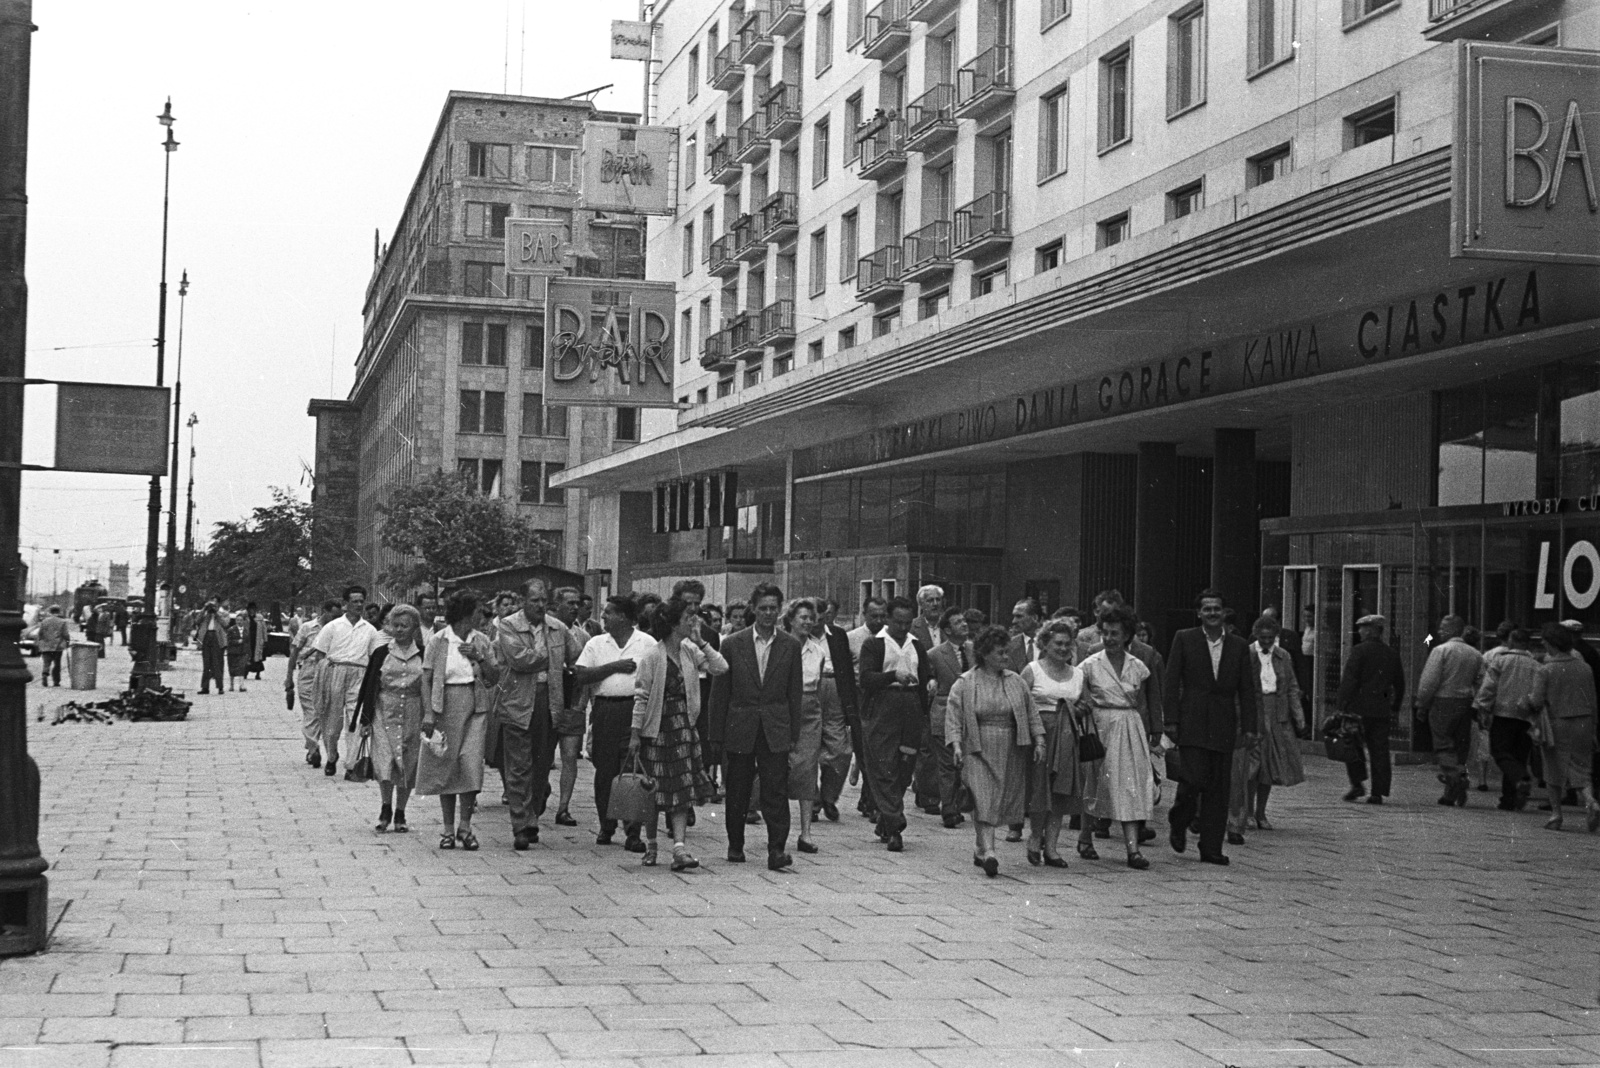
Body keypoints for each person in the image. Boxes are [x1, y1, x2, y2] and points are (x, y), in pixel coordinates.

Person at [708, 582, 803, 870]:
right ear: (753, 609)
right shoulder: (733, 644)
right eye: (763, 608)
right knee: (738, 789)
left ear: (780, 610)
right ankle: (735, 844)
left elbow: (794, 693)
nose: (768, 613)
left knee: (775, 789)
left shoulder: (790, 644)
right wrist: (716, 734)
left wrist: (793, 734)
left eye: (773, 608)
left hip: (775, 727)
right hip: (740, 726)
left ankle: (777, 849)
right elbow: (720, 693)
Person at [629, 598, 727, 869]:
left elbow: (721, 668)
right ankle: (651, 845)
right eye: (688, 617)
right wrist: (635, 733)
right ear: (673, 622)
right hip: (656, 730)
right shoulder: (652, 656)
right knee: (654, 791)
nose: (694, 621)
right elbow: (641, 696)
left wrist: (702, 642)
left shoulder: (689, 651)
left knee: (682, 790)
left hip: (683, 728)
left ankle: (679, 849)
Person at [1164, 589, 1258, 866]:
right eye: (1207, 609)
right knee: (1192, 780)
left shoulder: (1239, 646)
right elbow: (1171, 682)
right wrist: (1170, 720)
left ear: (1224, 612)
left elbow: (1247, 689)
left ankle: (1211, 847)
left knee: (1218, 788)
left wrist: (1250, 727)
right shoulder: (1184, 638)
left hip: (1223, 723)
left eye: (1217, 609)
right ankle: (1179, 820)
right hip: (1192, 720)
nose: (1213, 613)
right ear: (1199, 613)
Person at [946, 625, 1045, 877]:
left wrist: (1039, 740)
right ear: (985, 654)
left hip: (1010, 747)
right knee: (983, 798)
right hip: (977, 747)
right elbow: (954, 716)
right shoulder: (966, 683)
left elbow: (1031, 713)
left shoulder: (1016, 681)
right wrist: (956, 745)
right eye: (1000, 653)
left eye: (1007, 652)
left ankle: (980, 848)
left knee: (998, 800)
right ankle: (990, 851)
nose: (1006, 657)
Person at [494, 579, 585, 851]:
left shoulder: (558, 628)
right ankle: (522, 824)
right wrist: (550, 658)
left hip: (550, 701)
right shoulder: (508, 625)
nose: (540, 605)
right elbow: (520, 659)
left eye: (544, 600)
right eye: (534, 600)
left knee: (542, 763)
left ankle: (533, 808)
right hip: (518, 701)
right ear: (523, 601)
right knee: (519, 766)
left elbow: (577, 657)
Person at [417, 590, 499, 850]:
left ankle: (466, 826)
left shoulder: (482, 640)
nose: (482, 615)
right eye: (477, 610)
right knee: (447, 765)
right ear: (465, 612)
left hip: (475, 706)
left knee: (471, 764)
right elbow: (426, 678)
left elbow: (493, 677)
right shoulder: (439, 640)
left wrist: (479, 657)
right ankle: (448, 829)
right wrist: (429, 712)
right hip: (445, 706)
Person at [573, 595, 657, 850]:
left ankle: (633, 832)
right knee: (605, 771)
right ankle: (606, 825)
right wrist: (614, 666)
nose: (603, 617)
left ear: (624, 617)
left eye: (609, 612)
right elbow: (581, 675)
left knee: (633, 769)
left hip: (634, 709)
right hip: (605, 710)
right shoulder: (597, 643)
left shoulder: (647, 643)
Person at [1080, 605, 1160, 869]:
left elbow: (1145, 703)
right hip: (1101, 725)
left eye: (1115, 633)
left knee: (1130, 785)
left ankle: (1132, 850)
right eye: (1105, 633)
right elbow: (1079, 696)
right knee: (1097, 782)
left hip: (1129, 726)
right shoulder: (1090, 664)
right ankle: (1085, 838)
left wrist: (1151, 734)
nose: (1109, 638)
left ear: (1127, 635)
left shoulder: (1138, 666)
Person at [858, 596, 934, 852]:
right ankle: (894, 825)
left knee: (905, 764)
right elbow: (866, 678)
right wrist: (893, 676)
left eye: (908, 622)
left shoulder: (917, 645)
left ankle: (887, 816)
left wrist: (925, 706)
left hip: (911, 706)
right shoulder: (875, 644)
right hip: (883, 705)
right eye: (898, 622)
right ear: (888, 619)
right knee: (882, 764)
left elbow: (924, 678)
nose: (903, 627)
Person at [1228, 614, 1305, 842]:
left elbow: (1291, 686)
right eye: (1262, 638)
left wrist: (1298, 716)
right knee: (1252, 763)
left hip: (1276, 712)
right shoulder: (1246, 653)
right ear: (1255, 636)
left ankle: (1261, 812)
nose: (1266, 642)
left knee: (1269, 765)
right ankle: (1248, 812)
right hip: (1254, 708)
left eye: (1270, 638)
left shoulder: (1283, 656)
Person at [1020, 619, 1086, 867]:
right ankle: (1035, 838)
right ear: (1044, 644)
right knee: (1040, 788)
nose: (1063, 648)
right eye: (1057, 643)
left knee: (1060, 791)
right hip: (1040, 736)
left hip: (1067, 737)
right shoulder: (1032, 670)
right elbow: (1021, 703)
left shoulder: (1079, 674)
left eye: (1067, 644)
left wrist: (1079, 708)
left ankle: (1052, 848)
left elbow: (1084, 704)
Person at [354, 604, 426, 834]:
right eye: (395, 625)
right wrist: (365, 720)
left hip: (413, 713)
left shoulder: (423, 654)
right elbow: (369, 687)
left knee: (407, 763)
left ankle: (401, 812)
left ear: (414, 627)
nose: (400, 630)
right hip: (384, 711)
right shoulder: (381, 653)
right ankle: (386, 807)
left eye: (405, 625)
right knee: (384, 760)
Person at [1526, 622, 1599, 833]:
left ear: (1551, 644)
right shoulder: (1585, 668)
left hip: (1557, 723)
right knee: (1582, 768)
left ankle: (1556, 814)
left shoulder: (1546, 670)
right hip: (1584, 722)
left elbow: (1537, 701)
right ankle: (1590, 800)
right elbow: (1593, 701)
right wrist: (1594, 729)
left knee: (1553, 769)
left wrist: (1526, 703)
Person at [310, 586, 381, 778]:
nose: (358, 605)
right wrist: (323, 679)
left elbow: (375, 657)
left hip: (359, 674)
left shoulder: (370, 630)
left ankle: (351, 764)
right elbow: (320, 654)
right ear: (345, 604)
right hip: (335, 672)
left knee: (355, 720)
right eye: (354, 601)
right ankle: (332, 756)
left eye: (361, 601)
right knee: (332, 725)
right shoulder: (332, 627)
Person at [1335, 614, 1406, 805]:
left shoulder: (1359, 651)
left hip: (1358, 709)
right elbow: (1399, 682)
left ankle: (1357, 783)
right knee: (1380, 750)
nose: (1359, 631)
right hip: (1381, 709)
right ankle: (1378, 791)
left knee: (1353, 747)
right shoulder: (1391, 653)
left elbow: (1350, 679)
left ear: (1371, 630)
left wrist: (1341, 705)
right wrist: (1395, 706)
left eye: (1362, 628)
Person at [1416, 614, 1486, 807]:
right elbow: (1482, 682)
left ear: (1452, 630)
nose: (1438, 632)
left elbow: (1429, 681)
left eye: (1442, 628)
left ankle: (1455, 777)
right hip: (1465, 703)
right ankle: (1453, 789)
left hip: (1443, 702)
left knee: (1443, 744)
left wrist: (1422, 703)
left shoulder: (1441, 651)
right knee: (1460, 746)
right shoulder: (1475, 654)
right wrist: (1477, 704)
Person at [1474, 623, 1539, 811]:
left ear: (1511, 641)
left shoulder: (1501, 661)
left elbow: (1489, 687)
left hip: (1503, 714)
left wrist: (1482, 707)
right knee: (1518, 755)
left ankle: (1520, 778)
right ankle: (1508, 798)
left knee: (1500, 752)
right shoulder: (1536, 665)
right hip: (1526, 717)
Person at [783, 599, 830, 854]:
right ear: (790, 619)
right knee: (781, 766)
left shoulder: (818, 650)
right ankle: (778, 828)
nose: (808, 622)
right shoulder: (780, 645)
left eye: (811, 618)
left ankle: (806, 832)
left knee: (808, 769)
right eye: (802, 617)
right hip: (783, 709)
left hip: (809, 710)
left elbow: (819, 683)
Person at [925, 607, 971, 828]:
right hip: (944, 713)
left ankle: (958, 803)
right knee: (947, 764)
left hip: (970, 715)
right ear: (947, 629)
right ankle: (949, 809)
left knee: (964, 763)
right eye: (958, 622)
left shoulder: (974, 650)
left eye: (964, 620)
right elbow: (929, 682)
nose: (964, 624)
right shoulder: (935, 654)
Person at [815, 600, 861, 822]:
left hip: (834, 688)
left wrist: (849, 701)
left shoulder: (837, 635)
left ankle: (829, 796)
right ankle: (812, 799)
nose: (818, 618)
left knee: (841, 750)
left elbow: (847, 670)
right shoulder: (796, 637)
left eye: (823, 613)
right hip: (808, 689)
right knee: (805, 749)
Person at [549, 586, 591, 826]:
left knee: (569, 757)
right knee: (543, 755)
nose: (575, 607)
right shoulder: (548, 631)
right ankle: (541, 791)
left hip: (573, 702)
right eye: (570, 603)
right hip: (550, 701)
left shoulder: (583, 636)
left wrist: (582, 703)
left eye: (577, 603)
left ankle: (564, 806)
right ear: (557, 605)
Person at [845, 596, 889, 821]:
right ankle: (870, 799)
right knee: (864, 751)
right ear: (864, 615)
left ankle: (869, 799)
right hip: (859, 698)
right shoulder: (852, 638)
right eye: (874, 616)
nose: (879, 620)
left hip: (883, 699)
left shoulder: (891, 637)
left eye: (883, 616)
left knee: (877, 753)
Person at [287, 600, 339, 767]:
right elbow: (294, 651)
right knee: (311, 711)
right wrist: (288, 677)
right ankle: (313, 748)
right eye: (334, 614)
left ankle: (313, 746)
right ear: (325, 611)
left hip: (329, 672)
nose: (336, 618)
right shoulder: (308, 627)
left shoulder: (339, 629)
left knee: (324, 712)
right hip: (308, 671)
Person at [195, 600, 228, 695]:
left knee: (217, 664)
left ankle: (220, 687)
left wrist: (216, 613)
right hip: (206, 638)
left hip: (217, 639)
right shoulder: (205, 615)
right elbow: (197, 620)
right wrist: (204, 609)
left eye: (213, 606)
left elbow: (225, 624)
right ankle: (205, 687)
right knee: (206, 665)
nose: (211, 609)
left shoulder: (221, 614)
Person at [35, 606, 69, 686]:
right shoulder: (62, 621)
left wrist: (39, 643)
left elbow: (40, 634)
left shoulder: (44, 621)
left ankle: (44, 674)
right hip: (57, 647)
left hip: (45, 646)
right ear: (59, 612)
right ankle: (56, 681)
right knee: (57, 664)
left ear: (50, 612)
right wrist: (67, 642)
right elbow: (65, 634)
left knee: (46, 663)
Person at [225, 608, 249, 691]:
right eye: (238, 620)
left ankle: (241, 685)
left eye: (241, 620)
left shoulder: (246, 630)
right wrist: (237, 641)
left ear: (243, 621)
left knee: (242, 668)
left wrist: (248, 653)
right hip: (233, 652)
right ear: (235, 621)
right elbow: (228, 641)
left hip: (242, 652)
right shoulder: (231, 630)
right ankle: (231, 685)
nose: (239, 622)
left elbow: (248, 642)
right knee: (232, 669)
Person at [244, 601, 267, 681]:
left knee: (257, 657)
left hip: (257, 640)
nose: (252, 611)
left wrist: (265, 639)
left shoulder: (260, 618)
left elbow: (264, 629)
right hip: (249, 640)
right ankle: (245, 673)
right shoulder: (246, 618)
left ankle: (258, 674)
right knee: (247, 657)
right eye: (250, 609)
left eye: (253, 609)